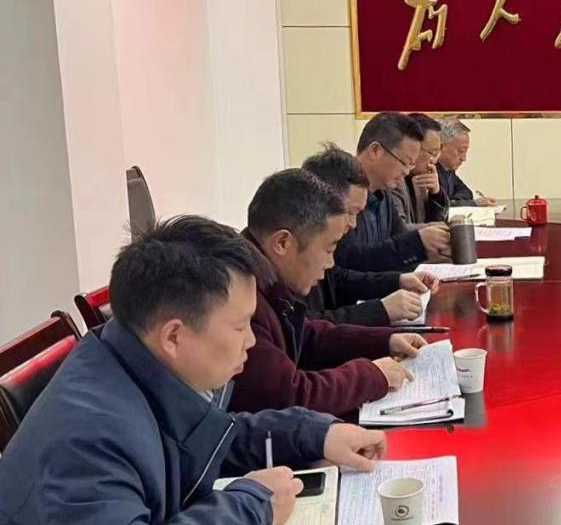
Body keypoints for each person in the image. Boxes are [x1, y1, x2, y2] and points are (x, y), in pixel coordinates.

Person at [0, 216, 387, 525]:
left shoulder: (137, 360)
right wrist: (250, 506)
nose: (252, 341)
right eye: (240, 326)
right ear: (174, 335)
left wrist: (316, 434)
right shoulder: (87, 443)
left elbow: (209, 439)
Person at [231, 169, 426, 418]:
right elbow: (289, 396)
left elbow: (307, 335)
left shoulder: (269, 279)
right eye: (328, 249)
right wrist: (370, 375)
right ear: (282, 243)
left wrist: (384, 341)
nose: (331, 263)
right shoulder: (241, 298)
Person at [302, 144, 438, 327]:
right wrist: (381, 310)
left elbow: (337, 278)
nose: (353, 223)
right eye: (350, 213)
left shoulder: (383, 195)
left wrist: (398, 281)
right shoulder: (291, 257)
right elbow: (307, 328)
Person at [337, 112, 451, 272]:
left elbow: (397, 243)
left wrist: (435, 251)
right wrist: (418, 242)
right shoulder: (341, 192)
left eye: (411, 165)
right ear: (375, 150)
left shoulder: (384, 192)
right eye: (404, 162)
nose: (406, 172)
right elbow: (351, 260)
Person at [389, 113, 448, 227]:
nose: (434, 161)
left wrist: (436, 194)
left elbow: (434, 221)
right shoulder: (393, 179)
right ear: (413, 147)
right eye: (432, 153)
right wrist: (437, 229)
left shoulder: (420, 178)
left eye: (437, 153)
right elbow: (399, 229)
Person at [437, 118, 497, 207]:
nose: (464, 158)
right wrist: (473, 203)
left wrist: (454, 202)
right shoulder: (428, 171)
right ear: (441, 147)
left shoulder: (448, 171)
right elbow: (439, 205)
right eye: (461, 151)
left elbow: (466, 192)